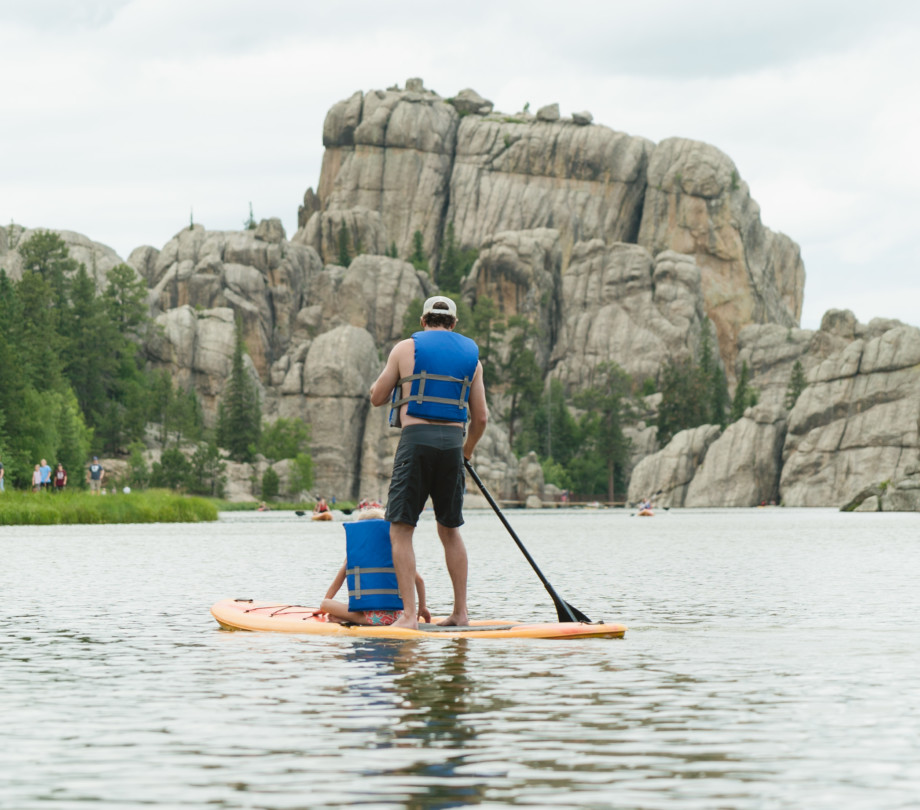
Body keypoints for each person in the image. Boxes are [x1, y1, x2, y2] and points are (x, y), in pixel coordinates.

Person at [369, 294, 488, 629]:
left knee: (402, 528)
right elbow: (481, 418)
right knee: (450, 529)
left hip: (415, 442)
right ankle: (461, 614)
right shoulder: (473, 360)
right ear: (453, 324)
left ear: (423, 321)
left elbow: (377, 397)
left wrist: (399, 386)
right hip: (452, 446)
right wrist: (466, 451)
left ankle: (409, 616)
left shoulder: (405, 349)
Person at [320, 508, 431, 626]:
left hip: (371, 619)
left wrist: (324, 607)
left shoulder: (355, 556)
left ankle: (347, 618)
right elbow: (420, 581)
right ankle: (342, 617)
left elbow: (338, 582)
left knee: (325, 603)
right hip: (397, 616)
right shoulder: (397, 555)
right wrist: (422, 607)